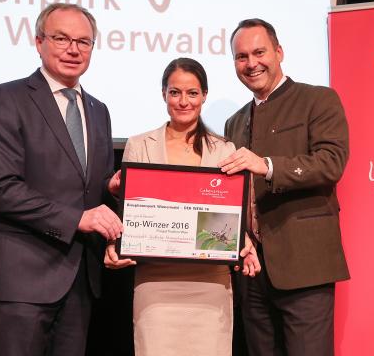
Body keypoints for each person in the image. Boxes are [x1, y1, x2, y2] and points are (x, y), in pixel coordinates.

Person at [0, 3, 123, 356]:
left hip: (79, 284)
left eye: (83, 42)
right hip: (19, 281)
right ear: (39, 42)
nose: (73, 49)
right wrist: (78, 219)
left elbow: (88, 189)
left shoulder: (98, 110)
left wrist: (110, 189)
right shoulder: (5, 98)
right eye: (61, 38)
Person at [104, 57, 260, 356]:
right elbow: (133, 213)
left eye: (192, 93)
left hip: (210, 284)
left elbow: (229, 217)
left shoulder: (224, 149)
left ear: (204, 96)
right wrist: (116, 241)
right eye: (175, 92)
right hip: (156, 283)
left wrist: (244, 241)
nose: (183, 101)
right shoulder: (140, 145)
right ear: (164, 94)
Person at [218, 18, 350, 356]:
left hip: (304, 264)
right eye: (241, 56)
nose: (251, 64)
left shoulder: (318, 99)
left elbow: (331, 161)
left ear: (279, 53)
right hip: (251, 269)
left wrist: (268, 165)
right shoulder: (234, 122)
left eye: (259, 52)